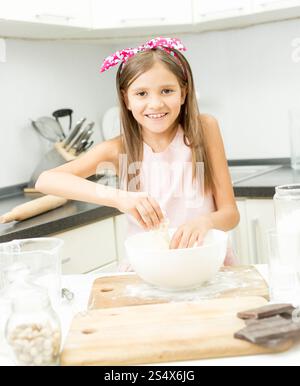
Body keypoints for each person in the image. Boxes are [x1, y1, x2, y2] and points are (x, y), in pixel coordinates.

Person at [35, 37, 240, 266]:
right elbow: (46, 180)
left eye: (166, 91)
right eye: (141, 93)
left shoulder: (204, 129)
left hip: (206, 261)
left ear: (183, 93)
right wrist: (120, 198)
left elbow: (230, 214)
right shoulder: (117, 149)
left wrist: (205, 222)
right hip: (148, 267)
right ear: (126, 99)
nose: (155, 104)